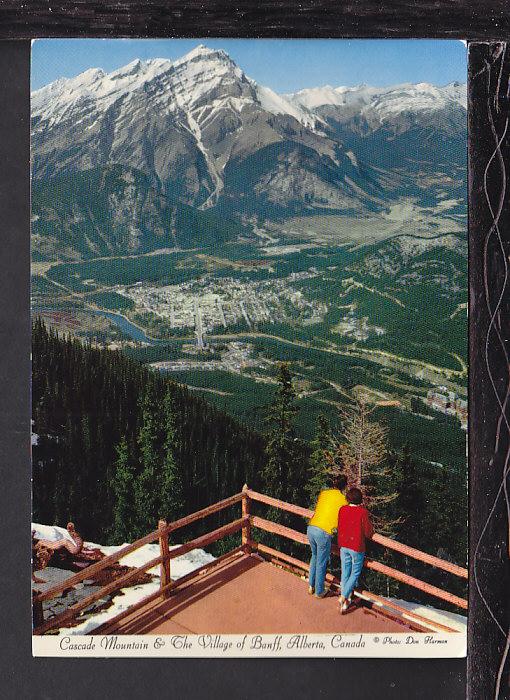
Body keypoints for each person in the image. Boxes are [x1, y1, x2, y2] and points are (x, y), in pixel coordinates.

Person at [307, 474, 348, 598]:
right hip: (323, 532)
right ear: (345, 486)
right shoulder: (344, 500)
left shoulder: (324, 493)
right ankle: (319, 591)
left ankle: (311, 585)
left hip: (311, 527)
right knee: (321, 562)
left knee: (314, 556)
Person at [337, 487, 374, 613]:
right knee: (355, 573)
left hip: (343, 544)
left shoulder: (342, 509)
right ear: (360, 500)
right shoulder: (362, 512)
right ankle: (343, 596)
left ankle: (345, 602)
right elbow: (368, 532)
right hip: (356, 546)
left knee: (345, 572)